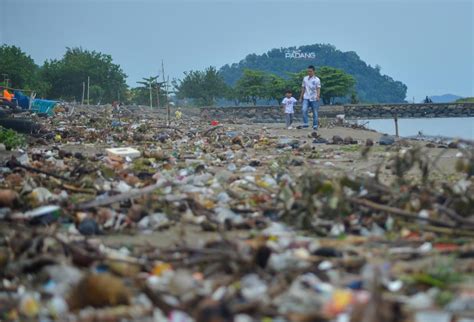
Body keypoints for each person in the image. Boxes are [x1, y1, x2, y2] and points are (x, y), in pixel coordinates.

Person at [299, 65, 321, 130]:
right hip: (306, 97)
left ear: (314, 71)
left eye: (310, 71)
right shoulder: (305, 78)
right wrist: (300, 97)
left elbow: (318, 88)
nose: (309, 72)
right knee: (304, 110)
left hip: (314, 98)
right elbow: (303, 88)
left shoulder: (317, 79)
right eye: (308, 71)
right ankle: (306, 123)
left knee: (315, 112)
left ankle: (315, 125)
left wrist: (318, 96)